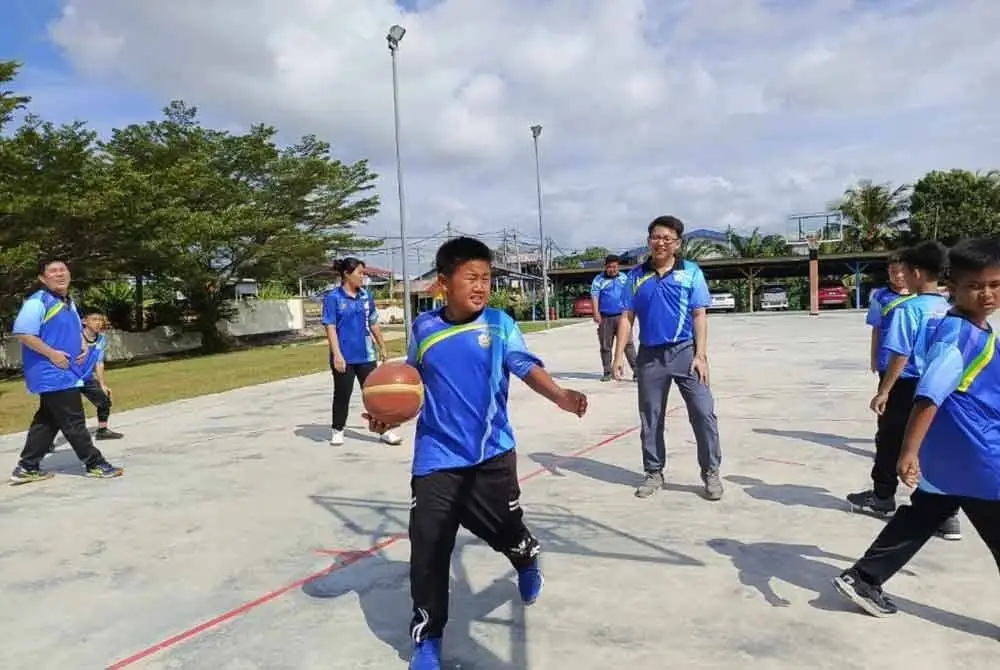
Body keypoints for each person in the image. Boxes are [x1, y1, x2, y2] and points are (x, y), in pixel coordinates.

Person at [363, 236, 588, 670]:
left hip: (490, 455)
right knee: (428, 545)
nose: (481, 286)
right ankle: (428, 638)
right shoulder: (423, 329)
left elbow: (524, 366)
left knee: (504, 530)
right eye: (471, 277)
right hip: (436, 457)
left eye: (486, 278)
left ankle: (525, 555)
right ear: (443, 283)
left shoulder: (500, 324)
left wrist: (560, 395)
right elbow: (412, 387)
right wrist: (387, 417)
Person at [833, 237, 1000, 617]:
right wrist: (908, 452)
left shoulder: (973, 327)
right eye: (975, 286)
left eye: (995, 284)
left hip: (959, 451)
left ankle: (864, 577)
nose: (987, 294)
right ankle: (864, 577)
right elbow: (929, 395)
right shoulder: (958, 337)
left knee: (926, 511)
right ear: (952, 287)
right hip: (976, 453)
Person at [846, 241, 959, 540]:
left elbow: (901, 354)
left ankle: (882, 496)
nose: (901, 276)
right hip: (942, 385)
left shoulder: (907, 310)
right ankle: (947, 516)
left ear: (917, 273)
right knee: (935, 446)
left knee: (890, 440)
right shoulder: (950, 309)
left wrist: (884, 390)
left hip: (906, 384)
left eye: (905, 271)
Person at [612, 215, 723, 501]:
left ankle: (710, 472)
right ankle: (653, 472)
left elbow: (699, 315)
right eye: (656, 237)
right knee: (650, 417)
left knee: (703, 412)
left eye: (667, 238)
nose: (660, 243)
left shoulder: (691, 272)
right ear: (648, 240)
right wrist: (618, 356)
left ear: (677, 243)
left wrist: (701, 355)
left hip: (686, 353)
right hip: (650, 357)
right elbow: (627, 317)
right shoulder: (636, 276)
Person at [9, 257, 123, 484]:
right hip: (52, 372)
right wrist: (52, 354)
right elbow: (23, 333)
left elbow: (73, 329)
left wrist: (81, 344)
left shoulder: (67, 302)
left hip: (67, 371)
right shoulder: (38, 302)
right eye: (53, 271)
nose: (60, 274)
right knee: (73, 420)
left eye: (63, 270)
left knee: (48, 420)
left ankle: (27, 467)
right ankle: (95, 464)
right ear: (43, 278)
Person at [322, 257, 401, 447]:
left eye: (364, 273)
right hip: (344, 356)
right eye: (360, 273)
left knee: (375, 394)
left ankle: (385, 430)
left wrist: (382, 346)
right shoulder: (333, 298)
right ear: (347, 274)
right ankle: (338, 430)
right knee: (343, 394)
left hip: (366, 355)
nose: (363, 277)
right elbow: (330, 327)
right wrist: (337, 355)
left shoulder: (366, 296)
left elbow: (373, 323)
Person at [78, 310, 124, 440]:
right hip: (70, 379)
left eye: (100, 320)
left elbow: (99, 362)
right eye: (94, 319)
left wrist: (102, 384)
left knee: (104, 400)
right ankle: (46, 440)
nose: (98, 323)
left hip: (86, 378)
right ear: (84, 321)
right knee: (64, 410)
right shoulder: (76, 337)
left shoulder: (101, 339)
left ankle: (102, 431)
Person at [590, 254, 637, 381]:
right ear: (605, 267)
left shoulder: (624, 278)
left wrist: (632, 311)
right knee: (606, 346)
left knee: (628, 344)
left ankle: (637, 371)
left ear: (618, 267)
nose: (612, 269)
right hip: (605, 317)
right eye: (609, 267)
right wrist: (596, 313)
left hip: (623, 317)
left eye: (615, 267)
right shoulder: (598, 280)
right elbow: (595, 296)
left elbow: (630, 295)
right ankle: (607, 372)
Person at [866, 255, 912, 376]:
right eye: (893, 272)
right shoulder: (879, 295)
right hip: (886, 360)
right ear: (888, 272)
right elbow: (876, 329)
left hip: (914, 364)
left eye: (902, 271)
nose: (898, 275)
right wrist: (873, 358)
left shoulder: (920, 294)